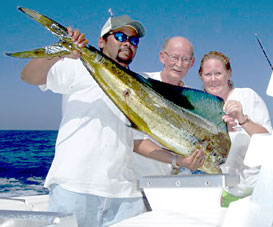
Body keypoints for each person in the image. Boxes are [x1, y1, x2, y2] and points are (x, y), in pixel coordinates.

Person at [20, 15, 204, 227]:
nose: (127, 43)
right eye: (120, 36)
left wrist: (178, 161)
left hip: (126, 195)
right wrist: (58, 50)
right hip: (75, 188)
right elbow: (29, 77)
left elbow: (136, 141)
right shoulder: (78, 66)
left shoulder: (137, 87)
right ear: (101, 42)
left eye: (133, 40)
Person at [198, 51, 273, 226]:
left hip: (269, 186)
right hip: (233, 192)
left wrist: (243, 119)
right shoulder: (200, 107)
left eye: (218, 73)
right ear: (201, 77)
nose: (213, 79)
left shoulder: (247, 96)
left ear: (229, 74)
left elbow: (271, 144)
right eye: (208, 74)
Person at [132, 36, 195, 176]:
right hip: (140, 184)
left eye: (185, 59)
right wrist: (177, 160)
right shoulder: (140, 84)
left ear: (192, 63)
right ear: (162, 57)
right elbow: (134, 140)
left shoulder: (193, 101)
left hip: (179, 183)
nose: (179, 64)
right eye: (174, 57)